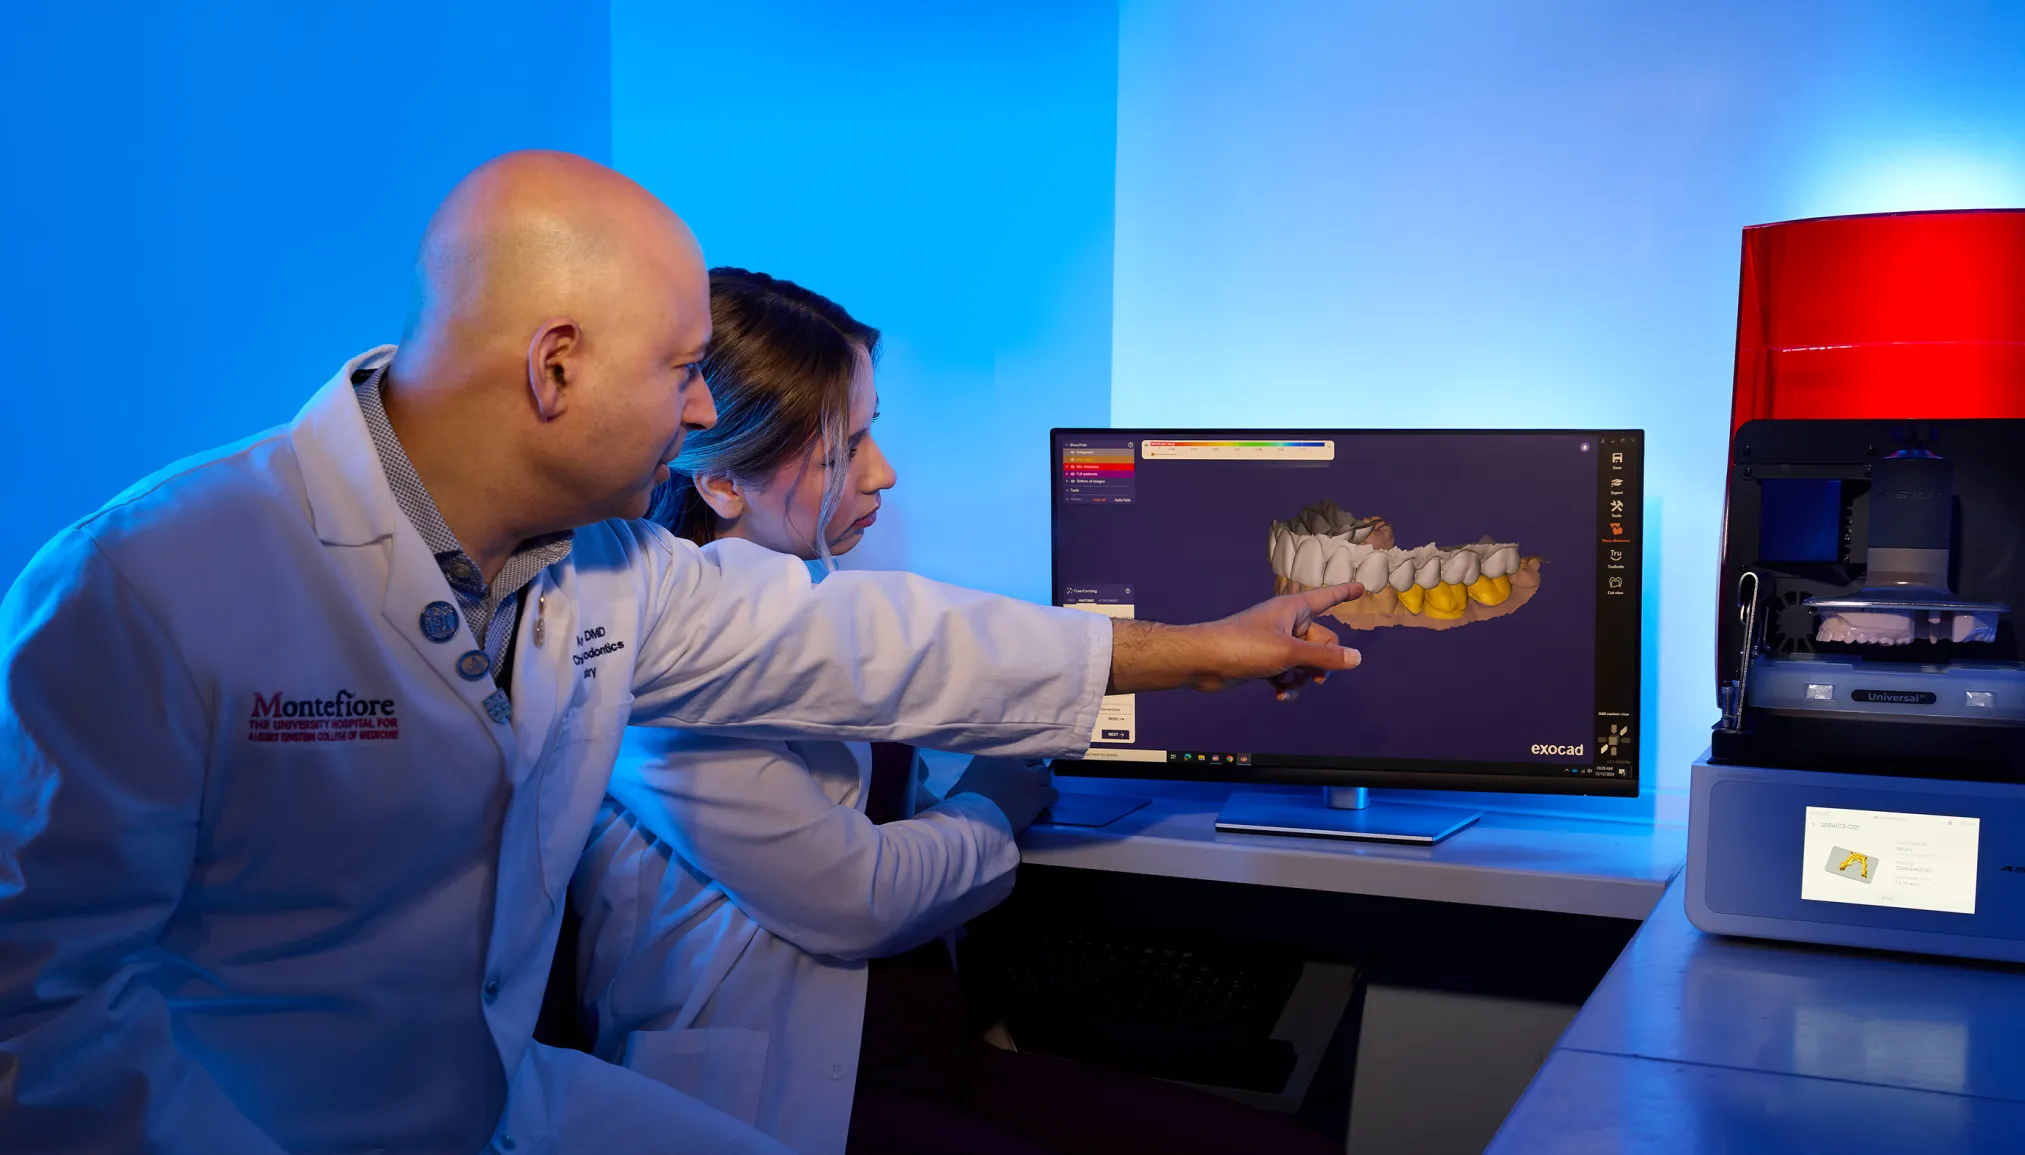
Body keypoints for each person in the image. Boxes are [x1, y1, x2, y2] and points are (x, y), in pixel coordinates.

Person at [0, 151, 1365, 1154]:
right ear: (556, 369)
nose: (703, 409)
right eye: (681, 369)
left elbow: (879, 643)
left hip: (502, 1102)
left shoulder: (610, 574)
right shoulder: (148, 586)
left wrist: (1205, 651)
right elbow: (35, 1025)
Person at [569, 269, 1342, 1155]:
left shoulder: (803, 606)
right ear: (723, 482)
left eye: (872, 433)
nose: (883, 472)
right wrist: (999, 800)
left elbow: (921, 650)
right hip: (783, 1097)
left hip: (916, 1050)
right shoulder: (642, 663)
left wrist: (1183, 666)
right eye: (841, 449)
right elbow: (856, 896)